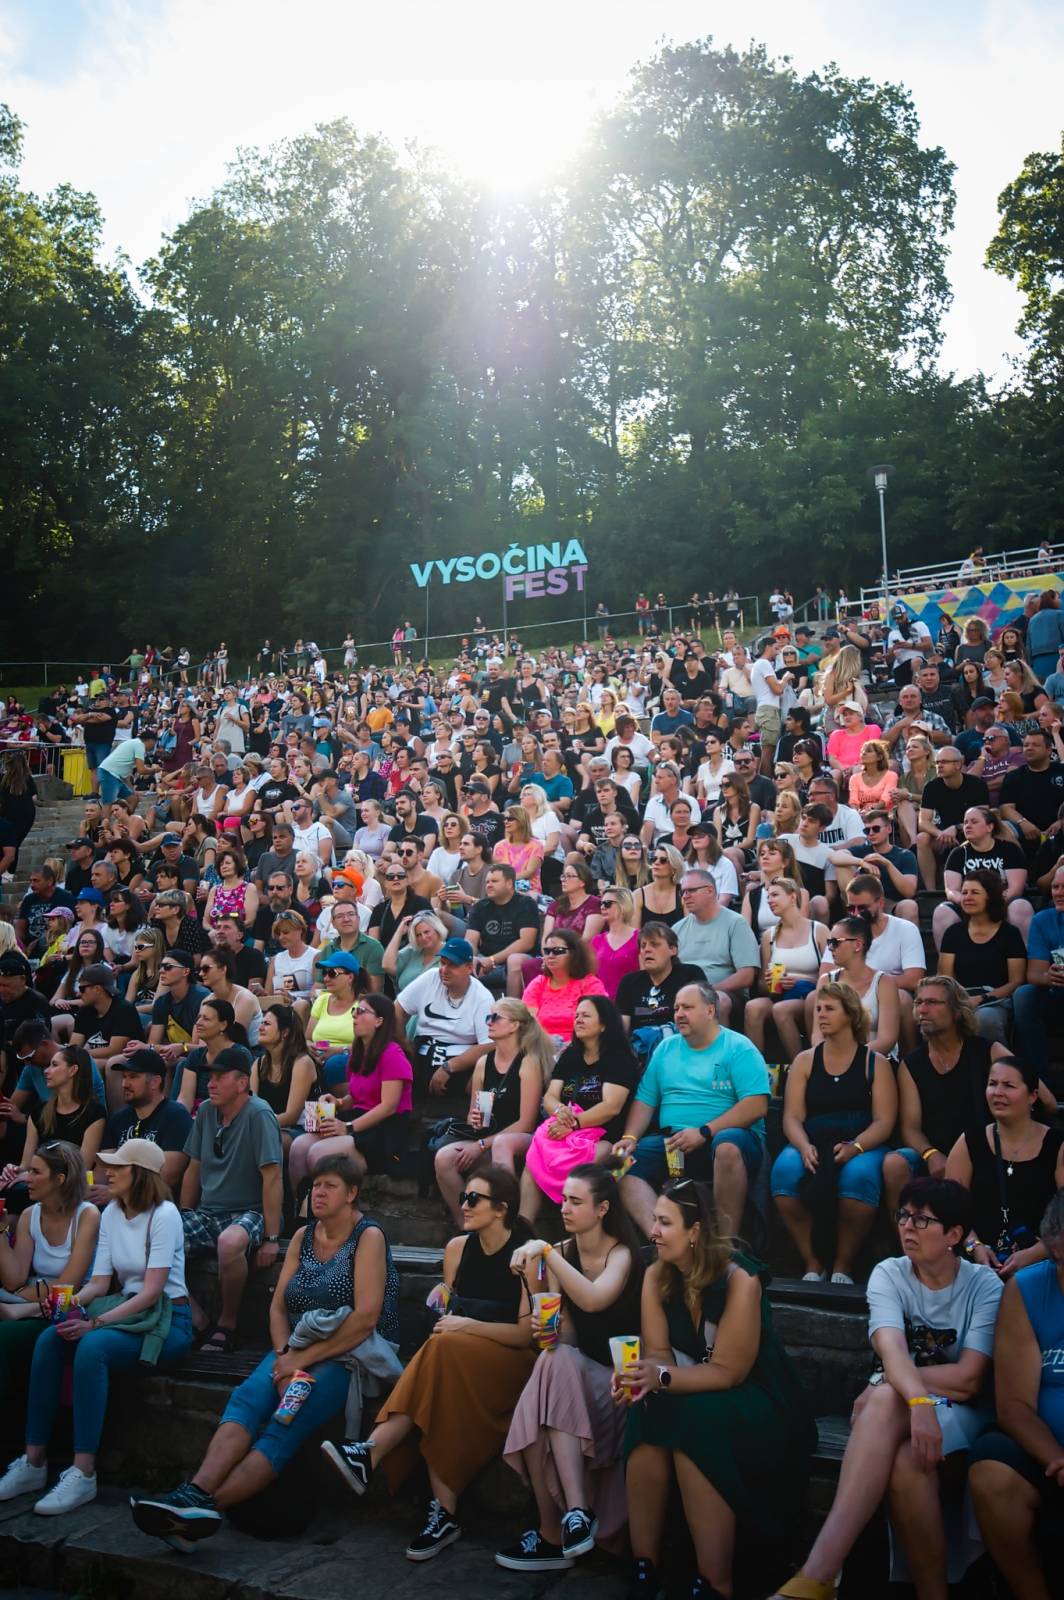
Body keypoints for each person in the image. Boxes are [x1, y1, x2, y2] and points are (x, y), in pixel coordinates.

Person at [131, 1151, 399, 1548]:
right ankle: (194, 1493)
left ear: (352, 1194)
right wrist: (284, 1354)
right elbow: (277, 1307)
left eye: (330, 1186)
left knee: (285, 1421)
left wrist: (298, 1361)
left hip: (348, 1352)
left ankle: (205, 1510)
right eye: (314, 1185)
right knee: (246, 1399)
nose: (318, 1193)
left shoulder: (368, 1236)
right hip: (297, 1345)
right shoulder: (304, 1236)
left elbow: (365, 1319)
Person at [769, 1177, 1002, 1600]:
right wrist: (912, 1396)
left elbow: (969, 1378)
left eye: (922, 1219)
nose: (907, 1226)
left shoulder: (984, 1286)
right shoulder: (889, 1273)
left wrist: (891, 1382)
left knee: (882, 1394)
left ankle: (820, 1572)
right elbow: (891, 1348)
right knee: (903, 1456)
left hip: (968, 1415)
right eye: (904, 1215)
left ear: (954, 1235)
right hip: (908, 1411)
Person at [322, 1165, 536, 1563]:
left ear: (502, 1208)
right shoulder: (457, 1249)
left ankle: (372, 1451)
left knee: (443, 1348)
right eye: (463, 1197)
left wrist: (466, 1326)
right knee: (442, 1367)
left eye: (475, 1199)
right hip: (458, 1361)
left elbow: (527, 1336)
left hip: (511, 1364)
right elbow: (448, 1311)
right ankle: (444, 1512)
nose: (465, 1205)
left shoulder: (526, 1252)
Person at [623, 1179, 814, 1600]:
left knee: (697, 1424)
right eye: (654, 1220)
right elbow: (658, 1353)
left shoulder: (740, 1279)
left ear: (695, 1232)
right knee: (645, 1413)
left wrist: (664, 1379)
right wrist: (643, 1376)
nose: (652, 1231)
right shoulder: (656, 1275)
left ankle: (714, 1583)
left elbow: (729, 1372)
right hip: (694, 1384)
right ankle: (644, 1568)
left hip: (758, 1395)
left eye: (664, 1222)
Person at [0, 1138, 193, 1514]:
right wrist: (59, 1309)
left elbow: (153, 1293)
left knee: (92, 1348)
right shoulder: (111, 1214)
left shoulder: (165, 1213)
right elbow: (99, 1285)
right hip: (124, 1310)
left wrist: (96, 1324)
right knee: (50, 1340)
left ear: (139, 1174)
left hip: (168, 1321)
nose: (108, 1173)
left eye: (118, 1168)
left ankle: (83, 1471)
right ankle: (34, 1461)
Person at [498, 1166, 645, 1569]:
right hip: (579, 1382)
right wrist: (544, 1324)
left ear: (602, 1209)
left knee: (542, 1387)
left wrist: (546, 1253)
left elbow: (596, 1299)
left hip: (623, 1387)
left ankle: (554, 1529)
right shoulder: (562, 1253)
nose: (564, 1207)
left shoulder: (622, 1254)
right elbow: (570, 1339)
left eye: (575, 1201)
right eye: (563, 1199)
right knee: (552, 1358)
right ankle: (576, 1514)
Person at [613, 982, 770, 1239]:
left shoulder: (738, 1047)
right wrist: (629, 1138)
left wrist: (704, 1131)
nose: (679, 1014)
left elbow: (757, 1105)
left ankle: (724, 1246)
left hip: (727, 1139)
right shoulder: (666, 1048)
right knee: (620, 1165)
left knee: (727, 1146)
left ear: (710, 1011)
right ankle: (666, 1240)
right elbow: (645, 1100)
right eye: (676, 1008)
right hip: (674, 1142)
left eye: (687, 1007)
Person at [968, 1189, 1064, 1600]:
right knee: (991, 1469)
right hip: (1046, 1451)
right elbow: (1014, 1405)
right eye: (1059, 1258)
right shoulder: (1027, 1288)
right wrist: (1057, 1459)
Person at [772, 982, 897, 1283]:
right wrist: (802, 1146)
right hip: (813, 1137)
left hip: (861, 1139)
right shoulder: (805, 1061)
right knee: (784, 1171)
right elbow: (791, 1117)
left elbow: (884, 1121)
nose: (820, 1015)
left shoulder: (874, 1063)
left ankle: (843, 1263)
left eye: (829, 1009)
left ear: (851, 1014)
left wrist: (856, 1146)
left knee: (859, 1177)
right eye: (817, 1009)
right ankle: (813, 1262)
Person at [180, 1046, 284, 1355]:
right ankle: (195, 1315)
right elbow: (192, 1170)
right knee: (153, 1236)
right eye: (209, 1077)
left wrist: (272, 1238)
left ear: (242, 1083)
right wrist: (184, 1214)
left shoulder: (259, 1113)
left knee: (229, 1243)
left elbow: (272, 1177)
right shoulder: (207, 1112)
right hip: (208, 1212)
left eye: (219, 1077)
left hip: (249, 1211)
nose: (210, 1084)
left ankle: (227, 1324)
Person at [520, 995, 638, 1222]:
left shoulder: (618, 1058)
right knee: (535, 1157)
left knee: (601, 1155)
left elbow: (611, 1107)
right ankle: (524, 1223)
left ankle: (574, 1220)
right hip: (566, 1129)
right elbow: (550, 1097)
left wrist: (573, 1123)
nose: (578, 1020)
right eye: (576, 1016)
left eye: (586, 1015)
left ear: (604, 1024)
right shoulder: (571, 1055)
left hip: (607, 1136)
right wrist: (559, 1112)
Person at [946, 1056, 1064, 1278]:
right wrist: (975, 1246)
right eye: (992, 1084)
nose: (997, 1092)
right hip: (978, 1267)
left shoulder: (1057, 1146)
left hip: (1045, 1263)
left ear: (1032, 1096)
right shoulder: (970, 1142)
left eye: (1008, 1086)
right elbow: (950, 1210)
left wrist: (1036, 1252)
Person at [434, 999, 550, 1224]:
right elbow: (474, 1115)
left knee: (501, 1144)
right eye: (489, 1017)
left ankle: (504, 1223)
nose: (489, 1022)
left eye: (495, 1018)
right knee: (444, 1158)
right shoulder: (483, 1063)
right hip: (487, 1137)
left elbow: (526, 1123)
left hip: (522, 1139)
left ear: (515, 1025)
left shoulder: (528, 1062)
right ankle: (467, 1225)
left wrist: (480, 1145)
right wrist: (474, 1119)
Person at [0, 1143, 98, 1409]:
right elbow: (14, 1278)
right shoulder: (30, 1215)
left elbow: (69, 1283)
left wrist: (20, 1298)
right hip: (28, 1299)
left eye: (35, 1171)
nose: (26, 1178)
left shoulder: (87, 1215)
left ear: (60, 1179)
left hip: (66, 1307)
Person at [289, 995, 414, 1189]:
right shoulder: (359, 1051)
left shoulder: (393, 1054)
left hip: (383, 1130)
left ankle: (325, 1211)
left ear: (379, 1021)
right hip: (357, 1121)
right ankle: (301, 1212)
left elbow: (388, 1107)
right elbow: (356, 1097)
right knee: (298, 1147)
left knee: (317, 1153)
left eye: (362, 1012)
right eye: (355, 1011)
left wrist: (348, 1127)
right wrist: (338, 1102)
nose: (354, 1016)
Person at [394, 936, 494, 1093]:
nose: (444, 970)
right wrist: (401, 1047)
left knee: (485, 1074)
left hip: (461, 1058)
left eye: (452, 965)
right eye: (443, 963)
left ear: (468, 968)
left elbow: (488, 1045)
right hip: (422, 1051)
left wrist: (449, 1067)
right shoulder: (431, 977)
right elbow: (398, 1010)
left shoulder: (482, 997)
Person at [937, 870, 1026, 1044]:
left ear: (990, 897)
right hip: (960, 999)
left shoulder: (1010, 934)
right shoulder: (953, 933)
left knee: (984, 1018)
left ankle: (996, 1068)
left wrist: (981, 999)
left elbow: (1016, 981)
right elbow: (945, 978)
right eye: (964, 892)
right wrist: (960, 1002)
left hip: (996, 1001)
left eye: (975, 892)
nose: (967, 897)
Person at [744, 878, 828, 1062]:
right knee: (753, 1007)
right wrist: (770, 982)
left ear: (792, 897)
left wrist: (800, 979)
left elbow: (832, 977)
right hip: (781, 994)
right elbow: (761, 986)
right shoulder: (769, 937)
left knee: (781, 1010)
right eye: (767, 897)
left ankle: (799, 1065)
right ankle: (756, 1069)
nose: (769, 901)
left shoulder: (819, 931)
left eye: (775, 895)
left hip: (812, 995)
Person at [934, 803, 1033, 948]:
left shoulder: (1009, 850)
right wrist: (967, 900)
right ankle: (946, 967)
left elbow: (1016, 888)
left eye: (974, 822)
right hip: (968, 905)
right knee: (942, 911)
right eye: (966, 822)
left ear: (990, 827)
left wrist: (991, 902)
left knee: (1021, 906)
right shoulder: (958, 854)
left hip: (1002, 903)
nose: (967, 826)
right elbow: (951, 890)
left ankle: (1027, 963)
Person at [98, 1047, 193, 1195]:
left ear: (155, 1082)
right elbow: (102, 1172)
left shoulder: (176, 1117)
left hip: (157, 1207)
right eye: (124, 1077)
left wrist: (115, 1193)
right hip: (119, 1203)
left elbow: (167, 1177)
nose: (124, 1084)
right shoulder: (118, 1118)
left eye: (133, 1077)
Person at [673, 870, 759, 1025]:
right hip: (683, 994)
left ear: (710, 890)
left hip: (727, 994)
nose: (685, 896)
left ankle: (718, 1049)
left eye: (691, 890)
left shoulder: (735, 923)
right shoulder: (677, 929)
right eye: (682, 892)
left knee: (719, 1000)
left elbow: (746, 975)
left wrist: (706, 992)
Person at [1013, 862, 1064, 1093]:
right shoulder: (1043, 920)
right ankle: (1040, 1083)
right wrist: (1049, 976)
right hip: (1056, 994)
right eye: (1055, 887)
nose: (1058, 893)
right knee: (1024, 995)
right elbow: (1033, 974)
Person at [915, 746, 990, 890]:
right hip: (945, 837)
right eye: (937, 763)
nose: (939, 766)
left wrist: (956, 827)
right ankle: (931, 892)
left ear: (958, 764)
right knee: (922, 838)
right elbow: (923, 822)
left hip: (972, 832)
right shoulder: (932, 787)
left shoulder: (976, 784)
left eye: (944, 762)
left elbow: (985, 818)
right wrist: (940, 833)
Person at [465, 863, 540, 995]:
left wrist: (493, 960)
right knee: (460, 958)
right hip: (484, 960)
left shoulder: (525, 904)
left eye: (494, 881)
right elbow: (471, 940)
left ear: (510, 883)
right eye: (487, 881)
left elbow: (527, 942)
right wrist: (471, 957)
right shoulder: (480, 907)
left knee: (514, 960)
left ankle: (511, 1012)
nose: (488, 885)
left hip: (515, 962)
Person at [521, 927, 606, 1040]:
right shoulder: (538, 983)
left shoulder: (590, 984)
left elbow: (596, 1024)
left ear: (574, 954)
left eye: (558, 951)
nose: (550, 955)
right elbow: (528, 1022)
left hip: (580, 1047)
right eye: (547, 951)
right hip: (543, 1048)